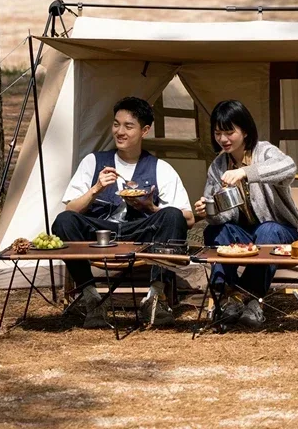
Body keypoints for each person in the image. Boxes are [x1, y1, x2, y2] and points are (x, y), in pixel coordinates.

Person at [52, 96, 194, 328]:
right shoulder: (93, 161)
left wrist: (151, 207)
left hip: (141, 234)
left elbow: (188, 218)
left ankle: (155, 296)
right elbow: (71, 209)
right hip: (101, 233)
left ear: (144, 130)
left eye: (128, 126)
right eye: (116, 124)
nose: (120, 131)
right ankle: (91, 297)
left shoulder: (160, 167)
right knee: (63, 221)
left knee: (172, 215)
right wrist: (96, 189)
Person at [194, 99, 298, 328]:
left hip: (281, 232)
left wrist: (245, 172)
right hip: (243, 234)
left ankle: (246, 296)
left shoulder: (264, 152)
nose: (223, 139)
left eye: (229, 132)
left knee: (267, 230)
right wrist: (209, 211)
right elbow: (221, 216)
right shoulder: (218, 166)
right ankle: (226, 297)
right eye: (217, 133)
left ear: (244, 130)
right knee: (215, 230)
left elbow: (289, 167)